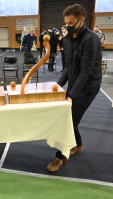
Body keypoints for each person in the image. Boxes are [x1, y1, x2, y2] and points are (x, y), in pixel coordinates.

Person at [47, 4, 102, 172]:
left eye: (71, 23)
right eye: (66, 23)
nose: (68, 26)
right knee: (72, 118)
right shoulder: (68, 39)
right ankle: (77, 145)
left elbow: (85, 72)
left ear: (81, 20)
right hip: (75, 83)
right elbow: (69, 68)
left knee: (68, 121)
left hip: (88, 87)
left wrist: (71, 95)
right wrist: (56, 86)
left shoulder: (90, 39)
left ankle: (59, 157)